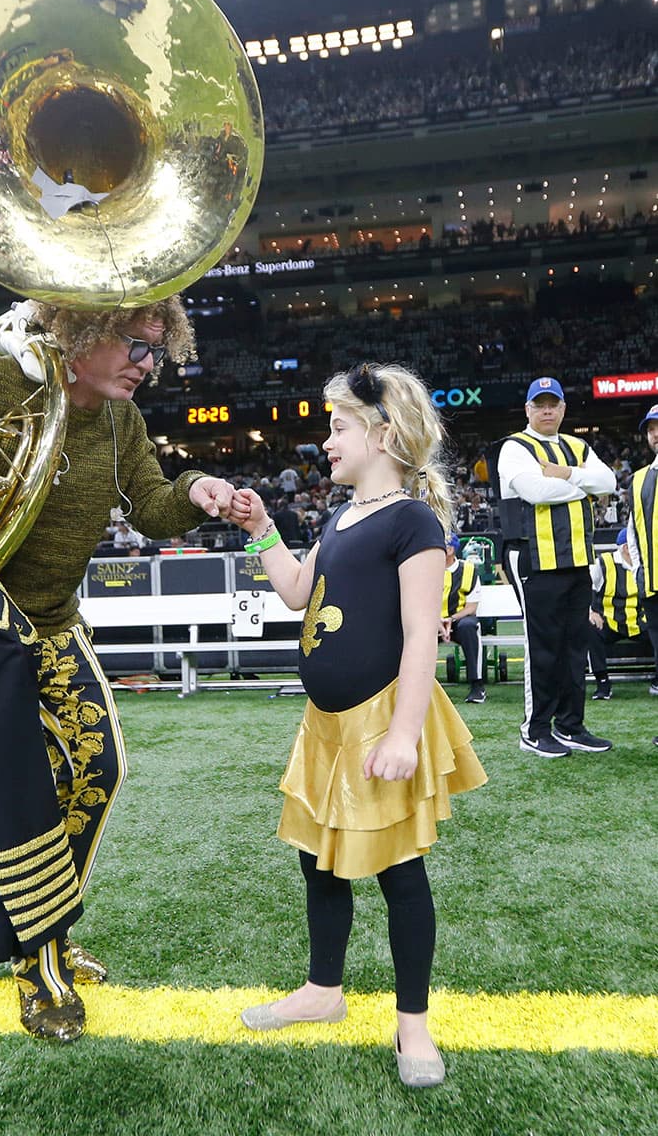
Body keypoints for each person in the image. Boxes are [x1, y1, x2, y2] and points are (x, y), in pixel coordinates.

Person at [0, 295, 236, 1043]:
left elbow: (153, 505)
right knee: (34, 781)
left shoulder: (119, 418)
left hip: (53, 619)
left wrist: (197, 490)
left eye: (158, 349)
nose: (147, 363)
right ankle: (40, 960)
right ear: (81, 331)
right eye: (135, 343)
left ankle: (46, 930)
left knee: (101, 766)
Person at [229, 363, 486, 1090]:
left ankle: (414, 1028)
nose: (327, 440)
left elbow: (418, 636)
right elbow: (294, 593)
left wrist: (404, 735)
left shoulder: (413, 520)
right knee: (317, 859)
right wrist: (260, 529)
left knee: (401, 872)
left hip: (380, 719)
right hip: (326, 725)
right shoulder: (338, 519)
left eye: (338, 426)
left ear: (382, 433)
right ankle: (323, 991)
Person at [497, 377, 616, 758]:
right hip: (534, 556)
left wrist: (565, 474)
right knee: (543, 645)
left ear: (563, 409)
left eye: (554, 404)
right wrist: (585, 484)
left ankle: (570, 725)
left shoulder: (578, 446)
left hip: (577, 556)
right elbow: (536, 492)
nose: (547, 410)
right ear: (528, 410)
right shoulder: (514, 447)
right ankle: (535, 729)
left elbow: (609, 482)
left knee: (574, 644)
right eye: (540, 404)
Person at [587, 528, 647, 701]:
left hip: (638, 621)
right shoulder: (604, 563)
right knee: (589, 628)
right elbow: (584, 588)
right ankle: (603, 683)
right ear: (627, 548)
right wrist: (590, 612)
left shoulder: (646, 563)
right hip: (609, 621)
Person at [626, 402, 658, 703]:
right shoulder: (637, 479)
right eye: (651, 428)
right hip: (652, 582)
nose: (655, 433)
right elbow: (633, 531)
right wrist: (638, 568)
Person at [440, 534, 486, 703]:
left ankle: (477, 685)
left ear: (452, 549)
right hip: (431, 620)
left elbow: (472, 607)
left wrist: (451, 618)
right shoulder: (426, 568)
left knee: (469, 626)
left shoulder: (468, 569)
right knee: (414, 629)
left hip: (458, 620)